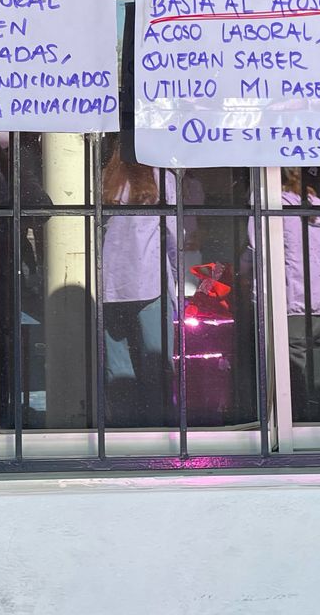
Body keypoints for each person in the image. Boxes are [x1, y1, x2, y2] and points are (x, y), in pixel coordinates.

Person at [98, 141, 190, 427]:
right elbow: (174, 236)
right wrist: (179, 282)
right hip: (150, 281)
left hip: (110, 284)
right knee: (157, 365)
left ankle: (124, 431)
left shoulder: (106, 180)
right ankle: (159, 428)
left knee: (118, 368)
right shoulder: (162, 179)